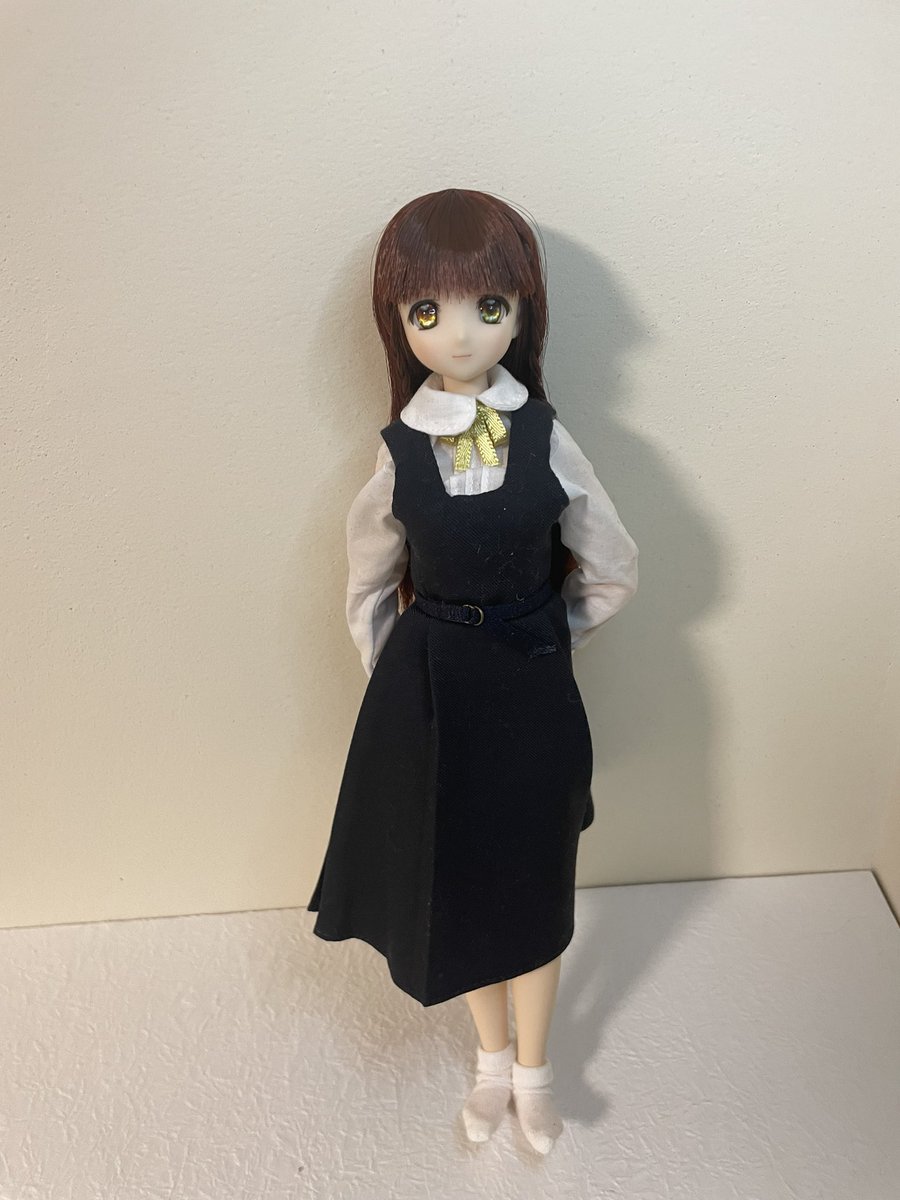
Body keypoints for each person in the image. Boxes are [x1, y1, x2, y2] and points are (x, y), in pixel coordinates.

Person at [307, 188, 639, 1153]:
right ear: (399, 322)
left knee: (533, 879)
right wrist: (407, 683)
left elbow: (614, 567)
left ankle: (536, 1072)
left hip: (532, 693)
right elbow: (367, 587)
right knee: (459, 879)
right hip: (436, 698)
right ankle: (492, 1062)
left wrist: (544, 636)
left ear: (522, 311)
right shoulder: (399, 453)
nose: (459, 334)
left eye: (488, 307)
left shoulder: (544, 434)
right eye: (429, 311)